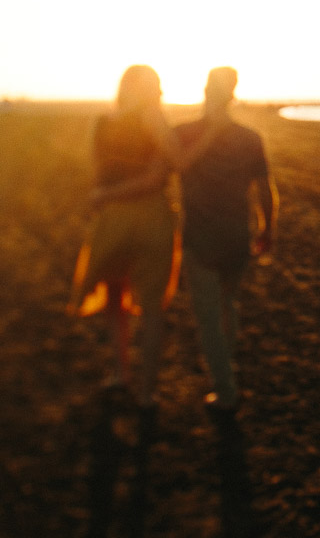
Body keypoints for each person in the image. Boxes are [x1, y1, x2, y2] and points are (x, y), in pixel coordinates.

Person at [68, 64, 224, 410]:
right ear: (141, 89)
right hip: (150, 217)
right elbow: (176, 166)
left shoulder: (101, 122)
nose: (161, 94)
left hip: (111, 218)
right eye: (155, 87)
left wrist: (104, 198)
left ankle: (119, 373)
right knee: (152, 308)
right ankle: (146, 393)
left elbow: (97, 178)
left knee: (113, 296)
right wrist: (212, 135)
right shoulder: (151, 118)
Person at [175, 66, 277, 413]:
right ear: (232, 95)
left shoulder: (185, 133)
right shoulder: (249, 138)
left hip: (202, 237)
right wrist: (268, 228)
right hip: (236, 235)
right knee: (226, 304)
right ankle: (225, 374)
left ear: (205, 92)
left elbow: (166, 167)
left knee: (208, 315)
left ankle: (225, 388)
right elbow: (265, 189)